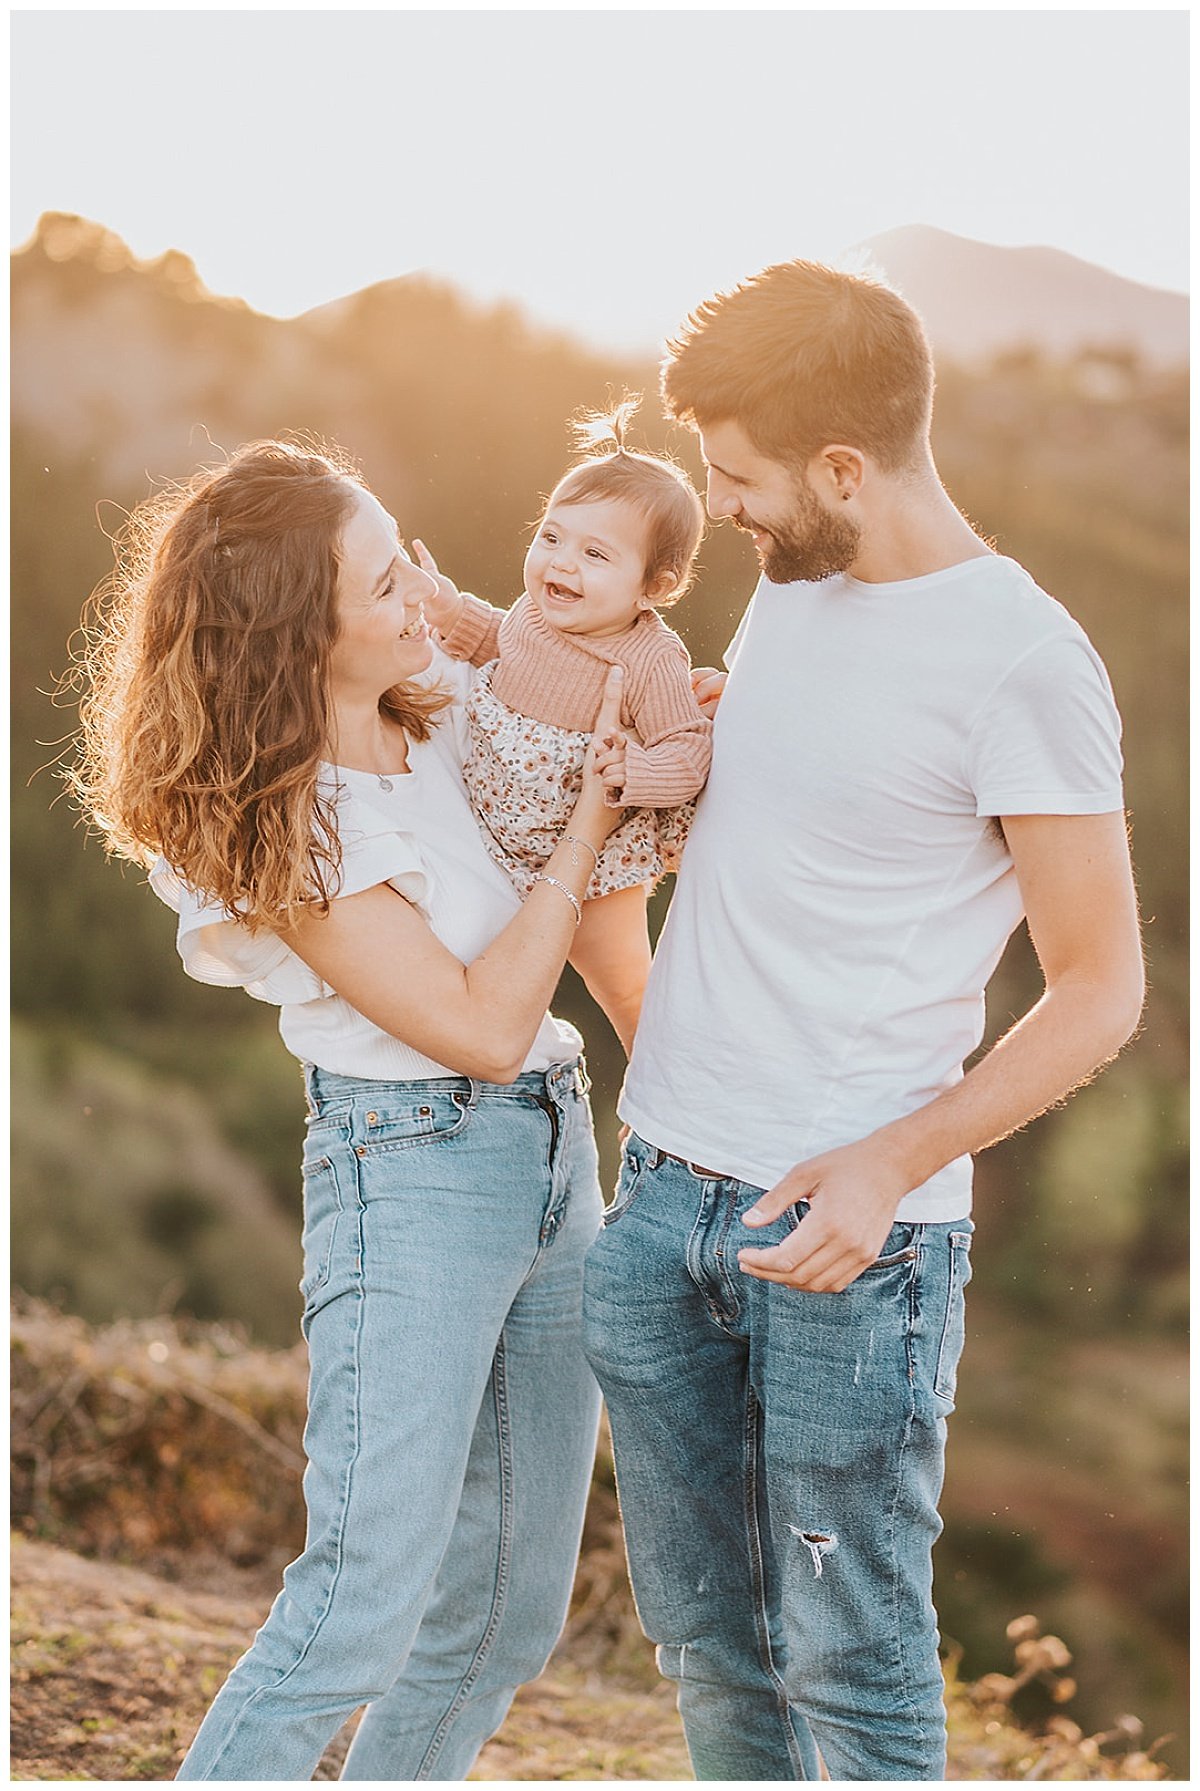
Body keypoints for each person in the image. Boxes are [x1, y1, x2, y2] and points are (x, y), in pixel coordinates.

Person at [582, 260, 1145, 1781]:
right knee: (708, 1645)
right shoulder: (790, 593)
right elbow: (772, 867)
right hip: (659, 1208)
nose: (725, 511)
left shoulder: (1026, 662)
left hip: (854, 1244)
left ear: (843, 466)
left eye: (739, 476)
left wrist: (890, 1162)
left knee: (854, 1666)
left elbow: (1103, 986)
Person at [70, 437, 627, 1781]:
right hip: (418, 1167)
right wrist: (591, 823)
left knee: (504, 1613)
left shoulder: (418, 695)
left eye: (407, 559)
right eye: (385, 586)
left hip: (556, 1149)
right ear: (296, 635)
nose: (421, 597)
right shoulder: (293, 823)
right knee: (357, 1605)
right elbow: (485, 1029)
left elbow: (573, 669)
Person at [412, 398, 711, 1055]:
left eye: (595, 553)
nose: (561, 563)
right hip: (495, 842)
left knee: (628, 989)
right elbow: (496, 639)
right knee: (487, 975)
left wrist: (637, 770)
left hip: (596, 867)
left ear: (653, 587)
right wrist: (446, 609)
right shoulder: (533, 612)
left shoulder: (649, 656)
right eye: (551, 536)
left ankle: (667, 1097)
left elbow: (689, 748)